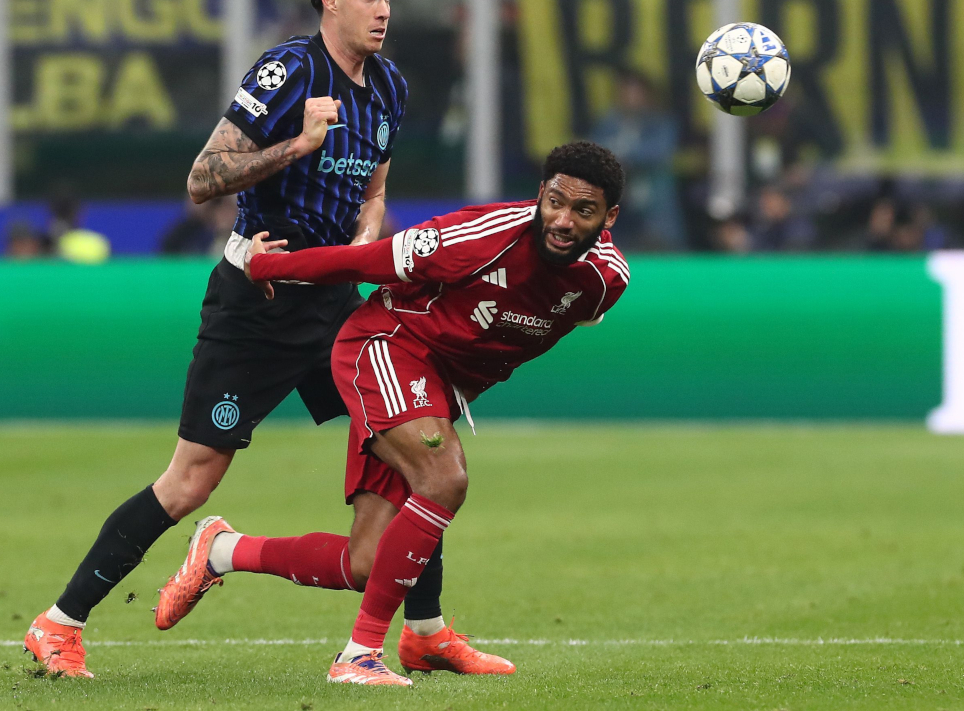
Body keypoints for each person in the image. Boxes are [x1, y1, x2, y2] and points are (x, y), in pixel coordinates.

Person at [24, 0, 507, 678]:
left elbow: (373, 192)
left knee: (418, 446)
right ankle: (59, 623)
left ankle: (427, 631)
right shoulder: (287, 70)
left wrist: (365, 246)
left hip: (337, 308)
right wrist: (296, 145)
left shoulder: (390, 87)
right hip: (257, 303)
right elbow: (202, 178)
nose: (383, 11)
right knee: (190, 480)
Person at [156, 141, 628, 685]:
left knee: (366, 563)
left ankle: (222, 550)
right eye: (555, 202)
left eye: (584, 211)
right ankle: (359, 656)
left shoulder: (604, 282)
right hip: (384, 345)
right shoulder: (482, 236)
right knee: (443, 476)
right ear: (540, 194)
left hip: (435, 386)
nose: (563, 221)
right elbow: (365, 260)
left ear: (609, 217)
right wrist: (272, 266)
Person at [590, 69, 682, 249]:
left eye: (636, 92)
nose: (631, 98)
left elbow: (657, 152)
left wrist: (624, 158)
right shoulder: (608, 124)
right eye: (626, 92)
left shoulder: (661, 123)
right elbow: (594, 151)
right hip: (620, 209)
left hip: (654, 206)